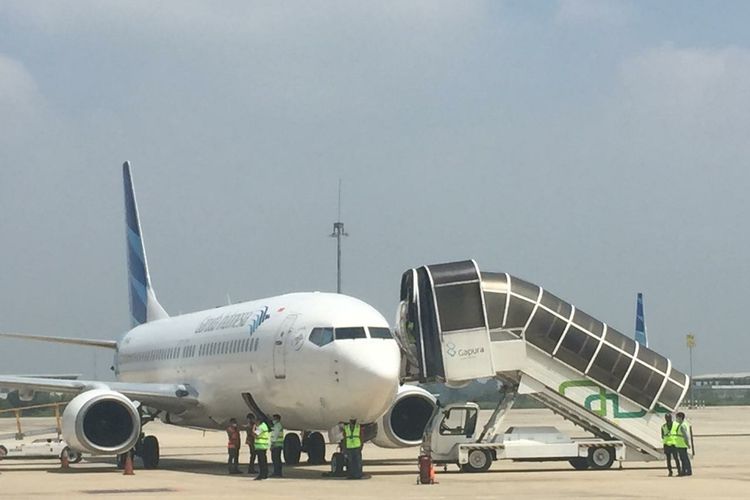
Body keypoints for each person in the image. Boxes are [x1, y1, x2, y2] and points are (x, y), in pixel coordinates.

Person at [675, 412, 692, 476]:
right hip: (681, 444)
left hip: (682, 444)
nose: (676, 419)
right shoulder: (683, 424)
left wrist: (687, 444)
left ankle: (686, 471)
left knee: (684, 459)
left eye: (677, 418)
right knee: (683, 459)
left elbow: (685, 436)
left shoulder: (682, 426)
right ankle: (685, 471)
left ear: (680, 418)